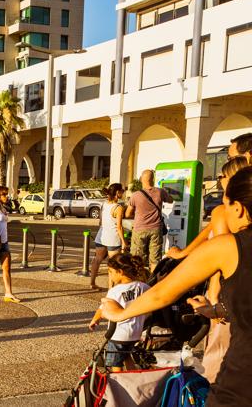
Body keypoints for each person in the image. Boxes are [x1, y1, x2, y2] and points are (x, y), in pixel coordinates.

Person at [100, 165, 252, 405]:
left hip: (242, 381)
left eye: (225, 205)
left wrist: (120, 312)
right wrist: (218, 310)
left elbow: (162, 293)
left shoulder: (229, 246)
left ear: (238, 208)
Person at [166, 156, 250, 383]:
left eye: (223, 175)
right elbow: (208, 233)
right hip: (241, 288)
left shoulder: (224, 210)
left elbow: (219, 256)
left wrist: (213, 297)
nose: (220, 179)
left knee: (219, 354)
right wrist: (183, 253)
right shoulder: (231, 211)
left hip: (224, 290)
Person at [88, 253, 150, 371]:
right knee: (127, 355)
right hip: (136, 333)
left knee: (115, 363)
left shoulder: (115, 291)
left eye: (111, 272)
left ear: (120, 272)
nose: (110, 275)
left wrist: (95, 320)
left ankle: (117, 380)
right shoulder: (143, 287)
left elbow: (103, 307)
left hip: (118, 333)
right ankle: (133, 377)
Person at [124, 169, 173, 270]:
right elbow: (171, 200)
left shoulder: (136, 195)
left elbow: (127, 214)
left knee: (137, 259)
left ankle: (140, 277)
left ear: (141, 179)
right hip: (156, 229)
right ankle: (152, 279)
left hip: (139, 230)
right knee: (155, 259)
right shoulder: (160, 192)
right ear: (153, 179)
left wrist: (138, 214)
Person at [90, 183, 129, 290]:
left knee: (97, 260)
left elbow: (100, 222)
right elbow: (119, 227)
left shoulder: (104, 204)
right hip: (113, 239)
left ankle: (92, 283)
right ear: (117, 192)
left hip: (101, 237)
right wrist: (124, 242)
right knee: (112, 264)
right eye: (122, 191)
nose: (123, 193)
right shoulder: (118, 207)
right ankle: (110, 288)